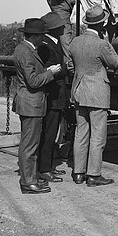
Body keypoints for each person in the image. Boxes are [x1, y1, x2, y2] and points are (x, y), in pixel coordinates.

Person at [68, 5, 118, 187]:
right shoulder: (101, 44)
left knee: (81, 133)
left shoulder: (75, 42)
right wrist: (107, 42)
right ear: (102, 24)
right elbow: (115, 63)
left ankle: (78, 173)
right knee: (97, 136)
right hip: (97, 93)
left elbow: (69, 65)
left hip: (79, 91)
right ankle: (94, 175)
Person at [13, 18, 62, 194]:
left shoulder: (25, 49)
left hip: (30, 103)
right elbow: (33, 81)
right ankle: (28, 183)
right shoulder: (26, 52)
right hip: (31, 104)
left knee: (30, 144)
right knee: (30, 145)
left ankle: (31, 179)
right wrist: (51, 73)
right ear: (33, 36)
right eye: (40, 35)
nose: (43, 39)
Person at [36, 11, 71, 184]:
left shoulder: (51, 43)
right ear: (55, 29)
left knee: (51, 132)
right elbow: (52, 70)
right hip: (53, 96)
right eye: (60, 26)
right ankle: (44, 169)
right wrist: (66, 69)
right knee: (49, 134)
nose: (63, 28)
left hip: (56, 95)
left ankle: (48, 166)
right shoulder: (46, 46)